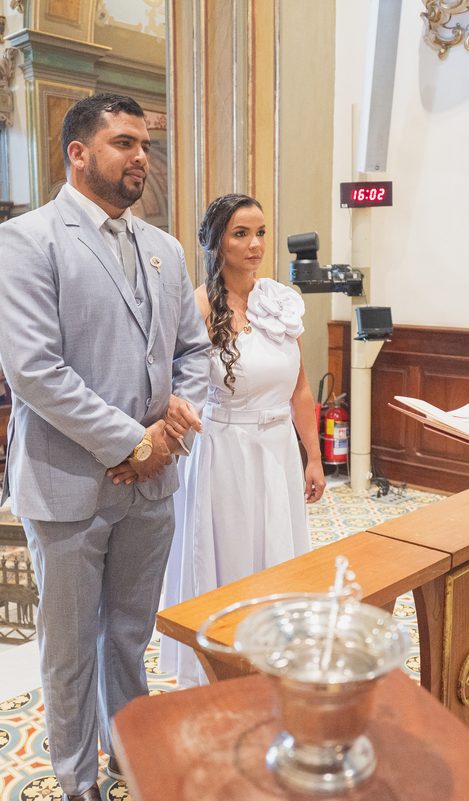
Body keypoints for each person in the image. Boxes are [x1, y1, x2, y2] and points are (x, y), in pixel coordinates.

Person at [0, 93, 210, 800]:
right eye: (122, 142)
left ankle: (128, 752)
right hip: (68, 482)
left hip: (151, 486)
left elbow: (194, 353)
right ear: (78, 153)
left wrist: (172, 431)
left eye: (144, 143)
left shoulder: (165, 249)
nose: (140, 156)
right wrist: (131, 440)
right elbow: (35, 371)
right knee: (71, 648)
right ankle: (76, 778)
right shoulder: (28, 240)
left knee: (128, 634)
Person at [158, 194, 325, 688]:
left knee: (279, 553)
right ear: (216, 243)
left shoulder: (279, 300)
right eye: (240, 234)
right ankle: (224, 669)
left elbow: (299, 387)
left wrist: (311, 457)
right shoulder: (200, 305)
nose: (255, 245)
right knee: (230, 557)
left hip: (277, 450)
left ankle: (275, 659)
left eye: (261, 233)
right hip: (224, 451)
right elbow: (173, 384)